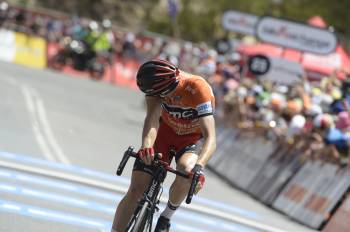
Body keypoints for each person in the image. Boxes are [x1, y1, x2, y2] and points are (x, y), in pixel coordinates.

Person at [112, 59, 217, 232]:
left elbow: (210, 137)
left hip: (191, 139)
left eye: (162, 95)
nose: (159, 98)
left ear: (168, 88)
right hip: (164, 133)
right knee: (135, 190)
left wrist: (200, 167)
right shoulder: (154, 86)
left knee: (186, 169)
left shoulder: (198, 88)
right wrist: (146, 146)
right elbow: (152, 118)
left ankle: (166, 217)